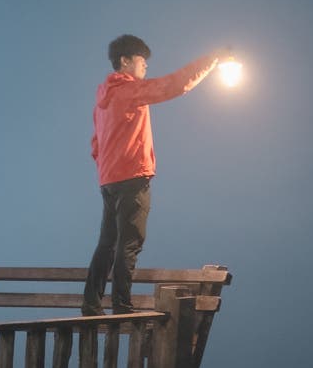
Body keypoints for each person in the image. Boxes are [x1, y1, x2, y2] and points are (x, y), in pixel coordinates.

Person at [83, 34, 229, 315]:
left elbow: (95, 144)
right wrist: (211, 60)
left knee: (107, 243)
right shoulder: (129, 90)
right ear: (125, 61)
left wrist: (108, 168)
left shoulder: (102, 100)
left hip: (109, 180)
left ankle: (91, 303)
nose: (145, 66)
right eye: (142, 60)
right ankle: (122, 305)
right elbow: (173, 85)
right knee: (130, 242)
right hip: (133, 176)